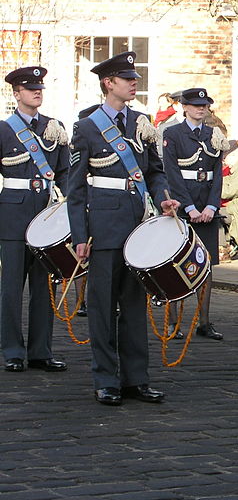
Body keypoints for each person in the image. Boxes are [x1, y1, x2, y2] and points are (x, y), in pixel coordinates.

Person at [67, 51, 180, 406]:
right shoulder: (86, 127)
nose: (134, 82)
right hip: (102, 225)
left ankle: (136, 378)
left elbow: (155, 172)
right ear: (108, 83)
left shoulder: (143, 123)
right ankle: (106, 379)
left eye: (134, 77)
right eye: (126, 78)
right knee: (101, 307)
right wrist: (79, 235)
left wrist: (163, 198)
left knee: (134, 305)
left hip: (137, 224)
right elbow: (75, 188)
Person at [1, 66, 70, 373]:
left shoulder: (54, 127)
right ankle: (13, 350)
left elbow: (66, 172)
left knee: (45, 287)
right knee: (11, 288)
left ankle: (41, 351)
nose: (37, 92)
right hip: (13, 214)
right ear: (16, 94)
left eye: (39, 87)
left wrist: (66, 206)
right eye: (30, 89)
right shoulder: (4, 130)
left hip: (46, 215)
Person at [162, 87, 227, 341]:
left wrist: (212, 206)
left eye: (204, 105)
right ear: (184, 107)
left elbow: (217, 173)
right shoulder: (173, 134)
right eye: (195, 105)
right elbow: (172, 174)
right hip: (182, 206)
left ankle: (204, 320)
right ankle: (174, 322)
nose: (201, 108)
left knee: (206, 265)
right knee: (175, 265)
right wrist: (189, 208)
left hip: (207, 205)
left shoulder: (214, 135)